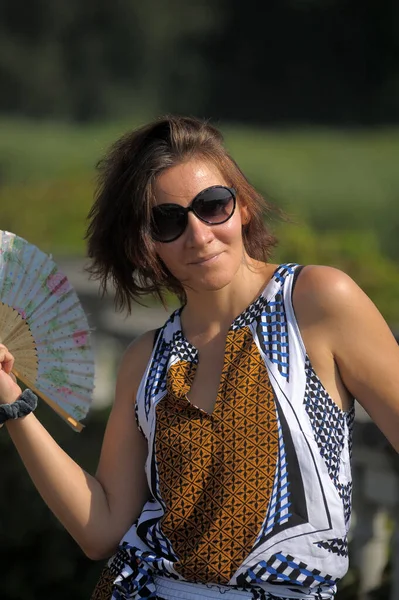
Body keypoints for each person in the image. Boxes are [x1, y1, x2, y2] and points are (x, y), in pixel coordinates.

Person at [0, 115, 398, 600]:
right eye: (167, 220)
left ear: (243, 207)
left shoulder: (315, 302)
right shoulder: (144, 361)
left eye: (213, 206)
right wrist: (12, 400)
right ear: (144, 245)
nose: (198, 234)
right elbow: (99, 529)